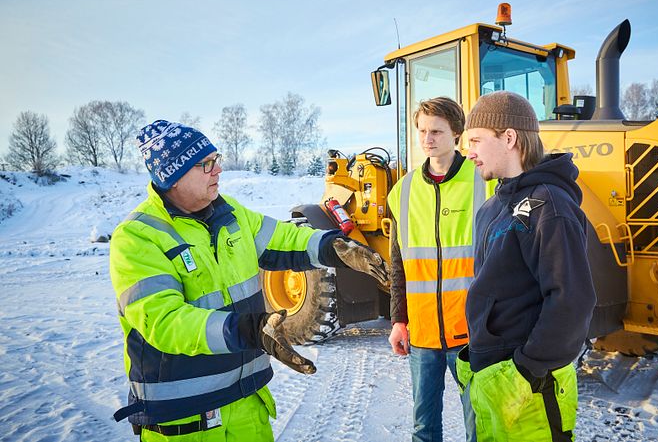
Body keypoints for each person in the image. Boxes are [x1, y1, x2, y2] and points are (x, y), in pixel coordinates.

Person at [110, 119, 388, 441]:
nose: (217, 170)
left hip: (247, 407)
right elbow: (164, 321)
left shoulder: (231, 215)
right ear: (172, 176)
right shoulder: (138, 238)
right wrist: (248, 330)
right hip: (186, 421)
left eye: (217, 160)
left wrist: (333, 248)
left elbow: (286, 239)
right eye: (206, 164)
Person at [457, 91, 596, 441]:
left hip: (531, 385)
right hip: (490, 375)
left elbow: (571, 301)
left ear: (509, 138)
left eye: (475, 140)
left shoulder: (550, 206)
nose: (468, 151)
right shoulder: (493, 207)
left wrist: (527, 370)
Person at [388, 97, 490, 442]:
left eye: (436, 131)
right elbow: (398, 267)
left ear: (456, 133)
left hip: (473, 335)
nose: (427, 139)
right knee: (424, 428)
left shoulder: (484, 182)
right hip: (423, 336)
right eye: (422, 131)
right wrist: (398, 321)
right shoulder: (403, 191)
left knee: (479, 427)